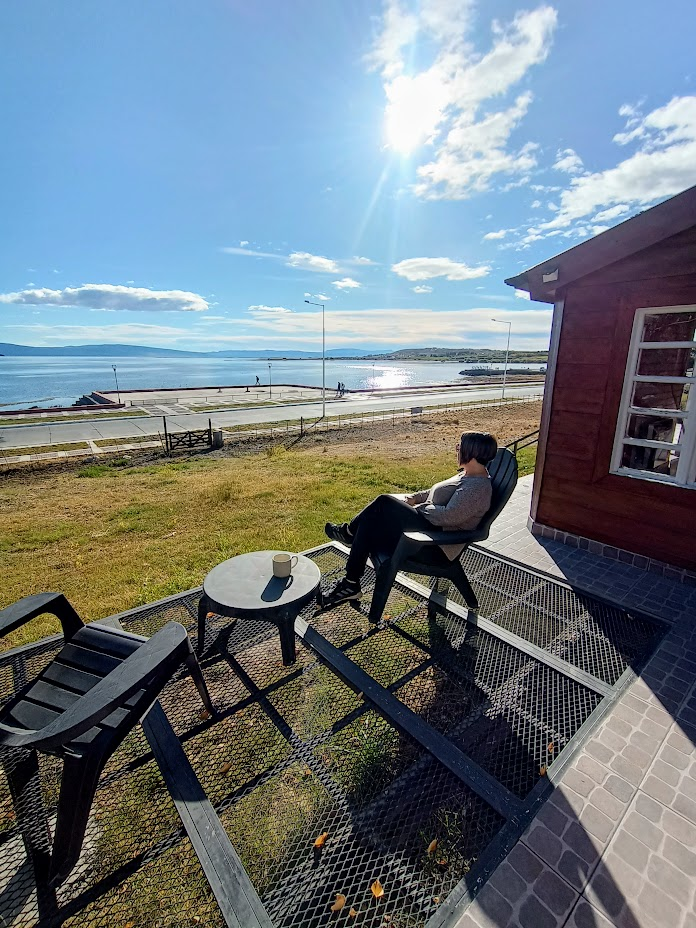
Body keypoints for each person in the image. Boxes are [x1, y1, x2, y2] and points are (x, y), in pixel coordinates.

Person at [320, 431, 497, 609]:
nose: (457, 448)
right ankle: (350, 582)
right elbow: (433, 492)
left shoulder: (478, 488)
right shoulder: (467, 474)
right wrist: (414, 498)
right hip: (428, 529)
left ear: (472, 453)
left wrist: (418, 508)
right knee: (371, 522)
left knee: (384, 502)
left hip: (434, 546)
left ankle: (349, 536)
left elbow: (448, 515)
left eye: (461, 445)